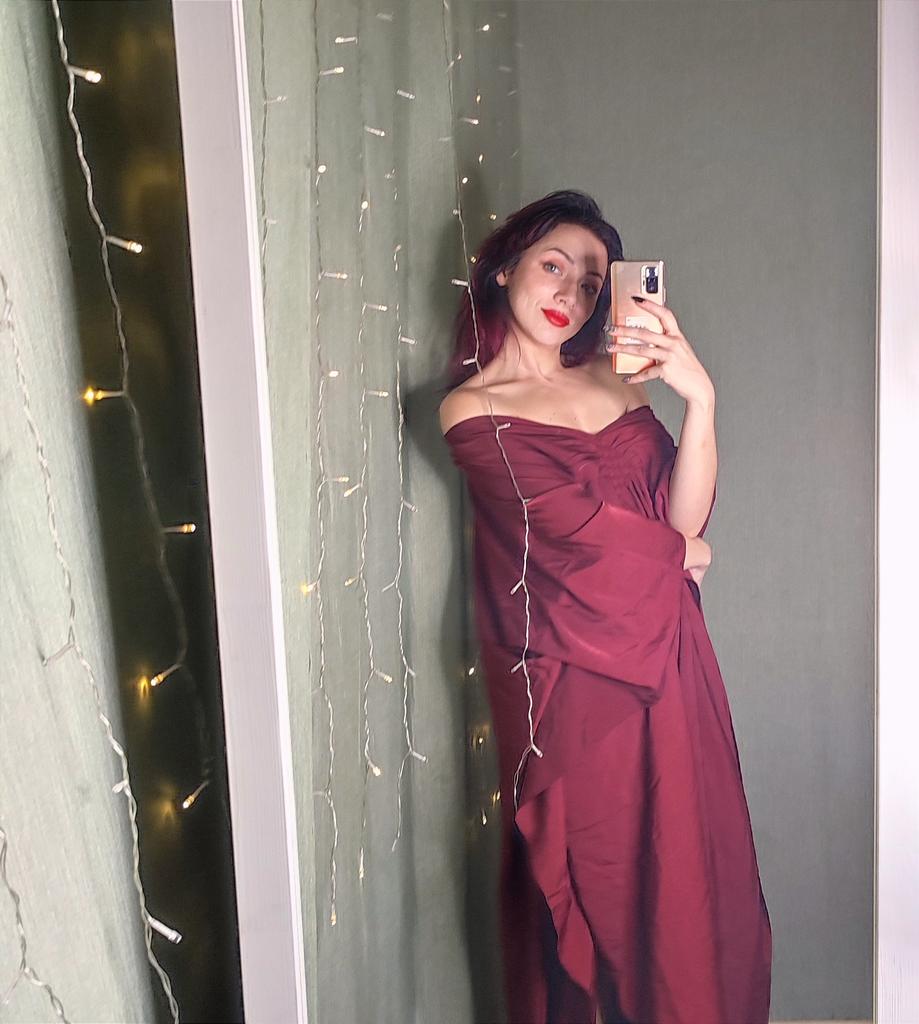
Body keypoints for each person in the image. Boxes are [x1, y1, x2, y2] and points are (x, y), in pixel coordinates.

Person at [439, 191, 772, 1024]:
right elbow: (570, 530)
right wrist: (682, 558)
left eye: (591, 283)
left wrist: (700, 400)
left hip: (670, 656)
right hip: (576, 677)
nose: (571, 293)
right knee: (605, 881)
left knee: (690, 874)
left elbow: (681, 517)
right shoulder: (471, 408)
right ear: (505, 267)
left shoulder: (611, 380)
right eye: (553, 266)